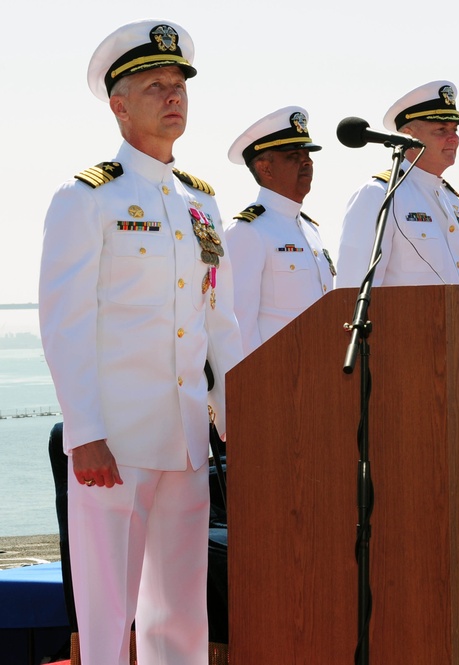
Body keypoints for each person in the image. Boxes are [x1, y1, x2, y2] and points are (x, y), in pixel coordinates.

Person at [38, 19, 243, 664]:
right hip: (116, 440)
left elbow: (220, 323)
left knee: (182, 610)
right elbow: (64, 323)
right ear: (118, 105)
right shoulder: (87, 197)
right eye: (155, 85)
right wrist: (85, 430)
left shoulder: (202, 203)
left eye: (180, 84)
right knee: (106, 612)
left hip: (185, 439)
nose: (173, 95)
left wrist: (235, 420)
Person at [335, 80, 459, 287]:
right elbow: (354, 288)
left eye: (455, 130)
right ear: (408, 136)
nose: (453, 138)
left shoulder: (452, 200)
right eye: (441, 130)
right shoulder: (380, 194)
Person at [225, 106, 335, 354]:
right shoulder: (248, 231)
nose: (306, 161)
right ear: (265, 168)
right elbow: (237, 325)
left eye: (307, 154)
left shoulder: (310, 230)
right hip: (276, 378)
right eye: (293, 156)